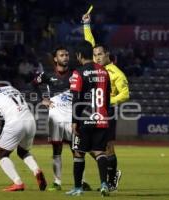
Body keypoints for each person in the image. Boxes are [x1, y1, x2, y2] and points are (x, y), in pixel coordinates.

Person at [31, 46, 91, 191]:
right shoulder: (47, 75)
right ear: (56, 59)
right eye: (62, 55)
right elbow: (34, 84)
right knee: (56, 150)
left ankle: (82, 182)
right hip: (55, 116)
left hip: (72, 116)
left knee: (76, 149)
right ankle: (57, 182)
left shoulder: (75, 74)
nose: (65, 57)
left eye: (66, 55)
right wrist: (42, 99)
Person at [82, 13, 130, 191]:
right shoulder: (95, 68)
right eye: (95, 54)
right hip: (92, 111)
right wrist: (86, 24)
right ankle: (111, 174)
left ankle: (112, 179)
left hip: (107, 112)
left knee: (108, 147)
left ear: (107, 54)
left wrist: (108, 101)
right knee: (88, 145)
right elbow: (89, 41)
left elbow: (125, 94)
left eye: (100, 54)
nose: (97, 57)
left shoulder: (116, 73)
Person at [0, 72, 47, 192]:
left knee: (2, 155)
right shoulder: (13, 89)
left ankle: (17, 183)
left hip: (15, 122)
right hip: (30, 120)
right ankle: (36, 170)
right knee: (23, 151)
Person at [66, 40, 111, 197]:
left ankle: (78, 188)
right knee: (100, 152)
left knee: (78, 153)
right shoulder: (105, 72)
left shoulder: (78, 73)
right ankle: (104, 185)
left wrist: (74, 121)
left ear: (79, 55)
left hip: (84, 118)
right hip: (102, 118)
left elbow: (76, 99)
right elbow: (108, 98)